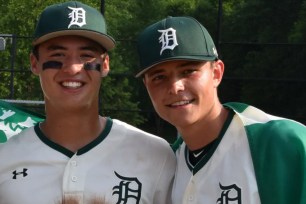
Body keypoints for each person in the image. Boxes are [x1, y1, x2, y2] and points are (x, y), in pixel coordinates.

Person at [0, 2, 176, 204]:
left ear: (106, 64)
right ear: (34, 63)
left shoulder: (156, 155)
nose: (73, 68)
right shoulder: (5, 158)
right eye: (58, 55)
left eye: (86, 55)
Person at [136, 16, 306, 204]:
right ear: (147, 86)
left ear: (216, 73)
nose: (175, 87)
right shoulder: (168, 164)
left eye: (188, 71)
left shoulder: (282, 142)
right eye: (159, 77)